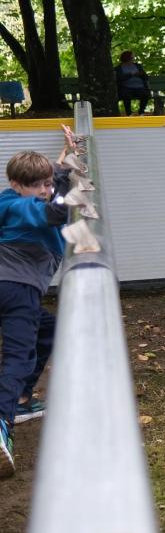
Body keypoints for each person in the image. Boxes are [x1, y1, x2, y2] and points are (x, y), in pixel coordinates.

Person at [0, 133, 71, 478]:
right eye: (35, 185)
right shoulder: (18, 204)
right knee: (19, 355)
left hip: (10, 288)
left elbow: (52, 183)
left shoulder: (14, 197)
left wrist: (65, 160)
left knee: (49, 329)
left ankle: (23, 398)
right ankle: (2, 421)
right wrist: (80, 198)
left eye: (45, 184)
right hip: (18, 289)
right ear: (15, 184)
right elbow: (52, 212)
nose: (43, 190)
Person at [115, 50, 150, 116]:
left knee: (146, 94)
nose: (133, 58)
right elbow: (119, 78)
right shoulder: (119, 68)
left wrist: (140, 74)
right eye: (132, 56)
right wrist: (131, 74)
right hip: (126, 87)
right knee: (126, 95)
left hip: (139, 87)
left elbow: (146, 77)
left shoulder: (137, 66)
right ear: (128, 57)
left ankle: (141, 111)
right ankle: (129, 113)